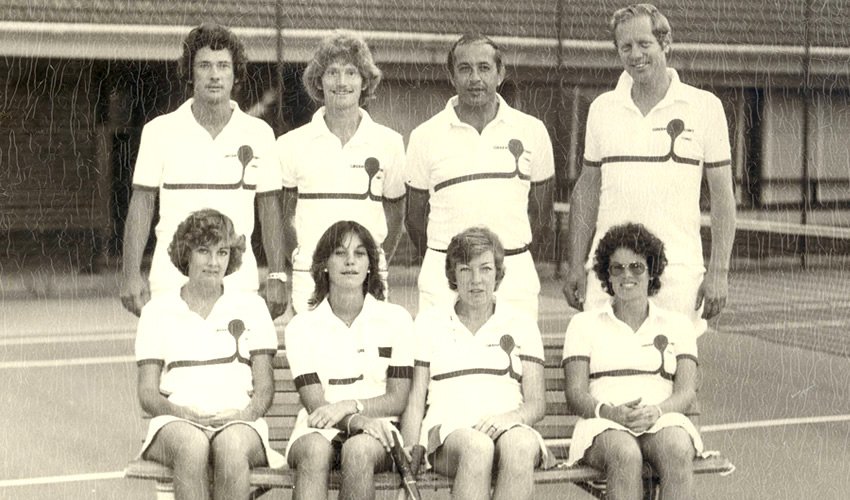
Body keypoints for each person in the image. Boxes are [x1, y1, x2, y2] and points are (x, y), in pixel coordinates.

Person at [563, 3, 736, 335]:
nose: (635, 55)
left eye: (644, 44)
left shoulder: (706, 107)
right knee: (606, 362)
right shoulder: (601, 109)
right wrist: (575, 265)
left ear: (665, 43)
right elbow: (587, 190)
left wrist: (719, 271)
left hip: (678, 274)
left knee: (672, 365)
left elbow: (722, 196)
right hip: (609, 271)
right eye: (625, 47)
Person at [120, 23, 288, 319]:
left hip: (238, 283)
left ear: (236, 74)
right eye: (204, 65)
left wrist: (277, 275)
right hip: (170, 281)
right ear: (190, 72)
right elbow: (142, 204)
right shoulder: (159, 131)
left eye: (223, 65)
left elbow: (270, 209)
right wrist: (130, 273)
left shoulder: (260, 133)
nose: (214, 75)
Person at [135, 209, 284, 500]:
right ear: (186, 253)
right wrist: (182, 414)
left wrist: (242, 416)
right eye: (204, 251)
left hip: (240, 422)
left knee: (231, 446)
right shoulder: (156, 311)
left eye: (222, 252)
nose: (214, 262)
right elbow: (148, 393)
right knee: (193, 445)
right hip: (175, 423)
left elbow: (265, 389)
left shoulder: (253, 307)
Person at [405, 33, 555, 319]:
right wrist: (454, 262)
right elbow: (414, 218)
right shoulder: (424, 136)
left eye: (484, 68)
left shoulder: (533, 131)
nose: (475, 78)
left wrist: (505, 259)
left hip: (513, 278)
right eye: (465, 68)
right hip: (444, 280)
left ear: (501, 73)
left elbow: (541, 214)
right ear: (451, 76)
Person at [400, 226, 554, 500]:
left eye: (485, 269)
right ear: (453, 276)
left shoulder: (521, 323)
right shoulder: (429, 322)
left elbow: (536, 403)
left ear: (498, 273)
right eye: (465, 270)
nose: (476, 280)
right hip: (449, 434)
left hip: (509, 427)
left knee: (520, 445)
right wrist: (410, 450)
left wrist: (510, 419)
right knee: (478, 447)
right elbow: (415, 399)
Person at [562, 222, 706, 500]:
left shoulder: (679, 325)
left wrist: (657, 412)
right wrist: (611, 413)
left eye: (637, 267)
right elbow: (576, 393)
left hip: (662, 419)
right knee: (625, 453)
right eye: (617, 268)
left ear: (651, 272)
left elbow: (686, 391)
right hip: (602, 424)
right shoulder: (583, 324)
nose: (627, 275)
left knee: (677, 449)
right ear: (607, 274)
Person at [277, 30, 406, 314]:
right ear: (319, 81)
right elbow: (283, 214)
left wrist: (374, 259)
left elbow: (396, 213)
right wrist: (302, 258)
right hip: (310, 279)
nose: (342, 82)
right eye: (332, 72)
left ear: (365, 81)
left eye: (351, 72)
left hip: (368, 278)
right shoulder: (289, 145)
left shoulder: (390, 143)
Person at [284, 220, 414, 500]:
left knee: (358, 450)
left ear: (370, 265)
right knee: (314, 450)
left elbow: (397, 399)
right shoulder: (300, 327)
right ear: (324, 264)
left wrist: (350, 406)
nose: (350, 261)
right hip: (318, 430)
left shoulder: (397, 319)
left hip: (379, 430)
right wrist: (356, 420)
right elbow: (316, 406)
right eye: (340, 253)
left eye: (359, 253)